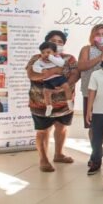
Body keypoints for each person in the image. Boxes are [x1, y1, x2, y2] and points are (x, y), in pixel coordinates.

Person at [26, 30, 79, 172]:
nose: (57, 44)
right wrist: (52, 72)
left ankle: (59, 154)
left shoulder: (69, 58)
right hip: (41, 103)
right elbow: (31, 75)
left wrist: (63, 87)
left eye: (60, 42)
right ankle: (43, 159)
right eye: (53, 41)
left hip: (64, 103)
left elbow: (75, 74)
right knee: (43, 131)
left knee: (61, 128)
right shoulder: (36, 58)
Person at [32, 41, 70, 117]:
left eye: (48, 52)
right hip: (47, 80)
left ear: (55, 53)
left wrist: (51, 57)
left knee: (66, 87)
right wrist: (41, 70)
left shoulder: (57, 58)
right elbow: (34, 67)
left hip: (58, 78)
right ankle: (49, 106)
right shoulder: (40, 60)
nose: (45, 54)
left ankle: (69, 101)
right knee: (46, 92)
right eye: (43, 52)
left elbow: (61, 64)